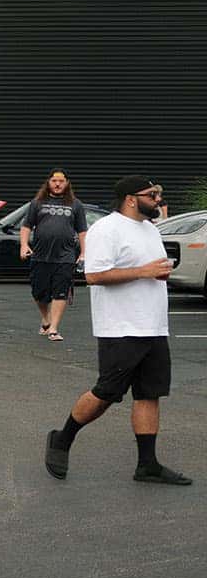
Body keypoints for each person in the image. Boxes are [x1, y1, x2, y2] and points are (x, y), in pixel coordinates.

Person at [43, 175, 190, 486]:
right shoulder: (106, 229)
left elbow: (146, 270)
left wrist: (157, 273)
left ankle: (147, 465)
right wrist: (144, 272)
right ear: (131, 199)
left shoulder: (150, 228)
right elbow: (94, 275)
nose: (158, 199)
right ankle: (62, 438)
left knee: (149, 393)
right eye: (152, 194)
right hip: (120, 327)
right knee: (107, 393)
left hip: (153, 325)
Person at [20, 169, 89, 342]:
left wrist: (83, 253)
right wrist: (24, 245)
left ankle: (54, 328)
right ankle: (46, 319)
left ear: (67, 183)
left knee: (61, 292)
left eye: (61, 181)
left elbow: (82, 231)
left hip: (65, 256)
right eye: (54, 181)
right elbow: (26, 226)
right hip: (40, 255)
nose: (57, 184)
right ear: (48, 182)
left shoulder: (75, 204)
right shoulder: (37, 203)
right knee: (39, 293)